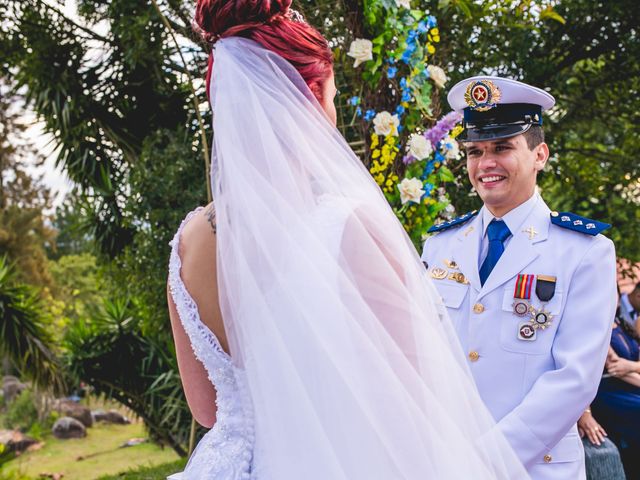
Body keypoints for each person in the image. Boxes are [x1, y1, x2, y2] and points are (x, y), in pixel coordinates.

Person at [166, 2, 528, 479]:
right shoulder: (347, 227)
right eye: (332, 96)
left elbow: (208, 410)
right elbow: (418, 405)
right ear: (308, 102)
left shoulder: (189, 243)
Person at [421, 76, 617, 479]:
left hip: (531, 469)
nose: (485, 164)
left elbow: (575, 380)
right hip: (443, 460)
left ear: (540, 154)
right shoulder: (440, 245)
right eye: (475, 151)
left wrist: (485, 461)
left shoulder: (584, 251)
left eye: (502, 147)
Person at [591, 305, 640, 478]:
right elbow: (615, 368)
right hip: (609, 389)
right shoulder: (598, 326)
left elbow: (631, 365)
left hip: (631, 384)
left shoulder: (622, 324)